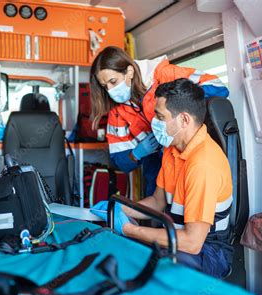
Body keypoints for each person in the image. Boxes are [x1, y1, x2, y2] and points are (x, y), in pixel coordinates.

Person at [92, 79, 234, 278]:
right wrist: (116, 208)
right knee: (125, 255)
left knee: (148, 271)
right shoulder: (172, 149)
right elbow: (157, 202)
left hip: (209, 251)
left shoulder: (203, 164)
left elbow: (192, 243)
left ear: (184, 120)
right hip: (180, 238)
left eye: (160, 116)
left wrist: (129, 229)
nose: (154, 123)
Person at [90, 46, 229, 196]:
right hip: (155, 173)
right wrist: (137, 153)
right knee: (158, 211)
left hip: (187, 160)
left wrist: (175, 105)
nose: (110, 90)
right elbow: (119, 161)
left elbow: (218, 87)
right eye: (105, 86)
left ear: (129, 72)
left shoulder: (162, 74)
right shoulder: (116, 112)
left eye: (113, 81)